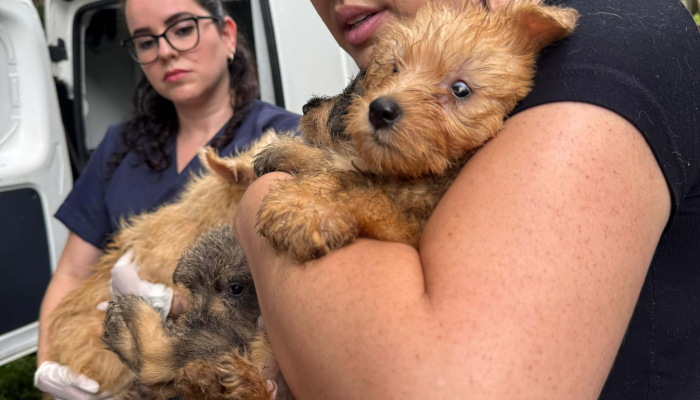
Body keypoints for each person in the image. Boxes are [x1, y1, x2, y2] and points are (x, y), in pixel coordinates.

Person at [234, 0, 700, 399]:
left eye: (457, 91)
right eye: (394, 70)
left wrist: (258, 198)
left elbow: (449, 386)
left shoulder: (608, 43)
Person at [35, 0, 299, 397]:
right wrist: (49, 366)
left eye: (182, 28)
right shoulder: (119, 147)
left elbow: (288, 298)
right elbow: (72, 272)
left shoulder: (282, 140)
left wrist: (170, 304)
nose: (164, 50)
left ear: (227, 35)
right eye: (145, 41)